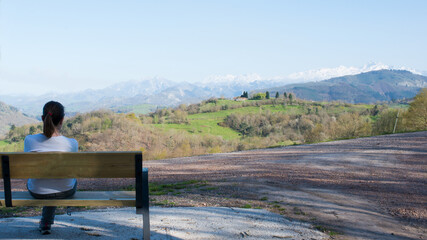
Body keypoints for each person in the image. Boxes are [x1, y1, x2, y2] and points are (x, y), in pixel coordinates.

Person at [24, 101, 78, 235]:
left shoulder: (29, 140)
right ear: (62, 120)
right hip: (66, 190)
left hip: (37, 191)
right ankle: (46, 222)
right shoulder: (72, 144)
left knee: (45, 181)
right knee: (61, 180)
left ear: (43, 119)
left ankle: (46, 223)